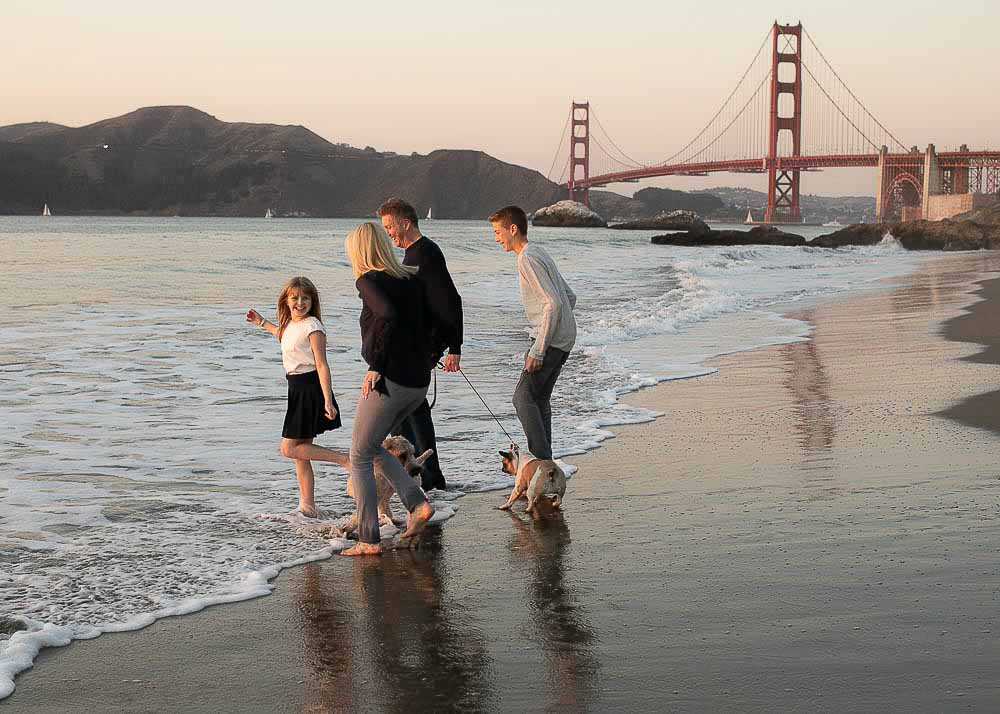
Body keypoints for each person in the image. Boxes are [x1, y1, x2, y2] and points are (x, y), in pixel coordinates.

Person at [342, 222, 436, 556]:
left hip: (391, 378)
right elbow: (432, 320)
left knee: (359, 454)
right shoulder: (409, 277)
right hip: (417, 381)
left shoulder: (368, 280)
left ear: (359, 251)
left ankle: (369, 539)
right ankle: (418, 503)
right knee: (372, 447)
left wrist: (376, 366)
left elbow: (387, 315)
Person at [377, 197, 463, 491]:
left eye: (390, 226)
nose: (388, 233)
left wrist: (454, 348)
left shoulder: (426, 253)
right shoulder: (412, 254)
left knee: (412, 413)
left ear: (405, 222)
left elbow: (451, 301)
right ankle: (416, 480)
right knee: (407, 415)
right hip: (415, 349)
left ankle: (429, 481)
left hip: (423, 349)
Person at [246, 277, 350, 517]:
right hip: (296, 388)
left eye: (305, 298)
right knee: (301, 452)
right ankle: (307, 507)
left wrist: (327, 400)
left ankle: (344, 460)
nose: (300, 302)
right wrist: (261, 322)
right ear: (286, 300)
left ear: (313, 302)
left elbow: (322, 365)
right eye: (295, 298)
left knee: (289, 448)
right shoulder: (291, 325)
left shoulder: (313, 326)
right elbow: (281, 334)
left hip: (310, 388)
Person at [489, 205, 577, 461]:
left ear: (513, 229)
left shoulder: (526, 257)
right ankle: (547, 466)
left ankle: (542, 465)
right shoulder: (539, 251)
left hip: (550, 341)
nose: (496, 238)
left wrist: (539, 348)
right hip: (564, 339)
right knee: (539, 400)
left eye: (498, 231)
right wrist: (561, 327)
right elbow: (570, 296)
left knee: (522, 398)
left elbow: (554, 303)